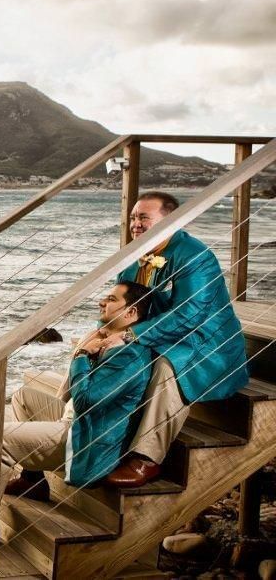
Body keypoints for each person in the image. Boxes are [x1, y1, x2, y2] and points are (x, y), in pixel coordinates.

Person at [0, 281, 153, 542]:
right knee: (24, 398)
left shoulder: (130, 356)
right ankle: (33, 480)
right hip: (80, 421)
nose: (102, 302)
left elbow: (85, 400)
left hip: (88, 438)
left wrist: (81, 355)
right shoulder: (108, 341)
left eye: (111, 299)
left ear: (131, 312)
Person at [104, 192, 247, 488]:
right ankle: (70, 433)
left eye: (144, 217)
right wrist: (102, 335)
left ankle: (147, 457)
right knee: (92, 351)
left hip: (206, 343)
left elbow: (188, 315)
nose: (135, 224)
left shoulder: (195, 256)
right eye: (133, 217)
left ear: (170, 220)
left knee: (167, 366)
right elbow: (118, 306)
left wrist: (130, 335)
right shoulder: (133, 258)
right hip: (161, 336)